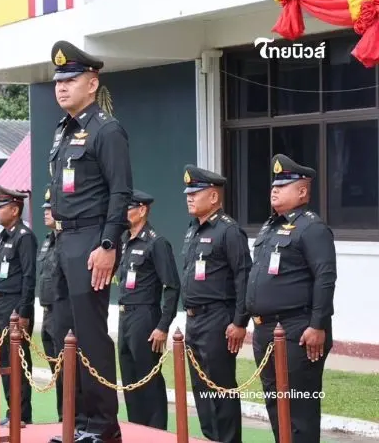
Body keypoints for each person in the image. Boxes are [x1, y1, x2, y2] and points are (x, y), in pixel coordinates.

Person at [47, 40, 132, 443]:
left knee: (91, 335)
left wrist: (109, 246)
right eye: (58, 80)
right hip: (62, 241)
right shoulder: (63, 132)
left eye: (71, 79)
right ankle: (75, 423)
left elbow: (120, 192)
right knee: (61, 332)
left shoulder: (106, 130)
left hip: (91, 242)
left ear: (92, 82)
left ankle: (102, 428)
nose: (62, 87)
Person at [247, 154, 336, 443]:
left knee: (299, 409)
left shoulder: (312, 228)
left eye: (283, 185)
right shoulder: (269, 228)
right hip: (266, 331)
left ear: (302, 191)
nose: (274, 189)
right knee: (276, 407)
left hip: (297, 331)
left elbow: (325, 277)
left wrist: (318, 325)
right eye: (274, 184)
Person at [180, 165, 251, 443]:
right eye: (188, 193)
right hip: (193, 320)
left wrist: (238, 322)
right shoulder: (192, 230)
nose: (189, 197)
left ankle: (229, 440)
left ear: (213, 197)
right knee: (201, 388)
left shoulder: (228, 231)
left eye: (195, 193)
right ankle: (210, 438)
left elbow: (243, 276)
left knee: (221, 387)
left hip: (217, 319)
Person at [116, 189, 179, 430]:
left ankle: (155, 433)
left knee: (148, 380)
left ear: (142, 210)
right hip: (124, 317)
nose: (123, 213)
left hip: (145, 316)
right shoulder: (124, 241)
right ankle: (136, 430)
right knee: (130, 381)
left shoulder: (156, 242)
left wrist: (163, 326)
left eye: (128, 208)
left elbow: (171, 286)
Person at [0, 186, 37, 426]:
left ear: (15, 209)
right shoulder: (6, 236)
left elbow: (29, 277)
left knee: (17, 361)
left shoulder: (24, 236)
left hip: (13, 305)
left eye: (1, 207)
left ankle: (21, 413)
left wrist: (24, 311)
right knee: (4, 362)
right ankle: (12, 411)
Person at [36, 188, 62, 422]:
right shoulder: (47, 241)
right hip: (46, 311)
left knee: (66, 370)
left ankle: (68, 419)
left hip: (61, 312)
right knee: (55, 370)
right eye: (44, 208)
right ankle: (62, 416)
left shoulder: (65, 241)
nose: (45, 212)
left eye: (50, 208)